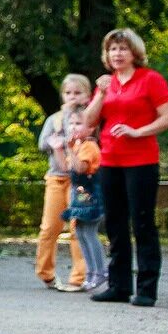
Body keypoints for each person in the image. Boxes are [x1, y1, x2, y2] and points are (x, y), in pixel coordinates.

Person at [78, 28, 168, 307]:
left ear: (134, 52)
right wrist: (101, 94)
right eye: (112, 49)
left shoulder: (151, 80)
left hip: (142, 162)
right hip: (110, 160)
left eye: (122, 48)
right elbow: (88, 121)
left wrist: (138, 131)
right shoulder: (106, 84)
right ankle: (119, 286)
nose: (117, 54)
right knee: (115, 223)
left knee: (142, 223)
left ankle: (146, 289)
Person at [35, 75, 92, 291]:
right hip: (56, 177)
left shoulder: (89, 118)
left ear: (87, 95)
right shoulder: (55, 119)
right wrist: (58, 138)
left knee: (78, 227)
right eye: (68, 93)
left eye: (77, 93)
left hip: (81, 180)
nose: (72, 97)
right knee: (50, 226)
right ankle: (45, 272)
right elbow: (42, 144)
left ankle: (79, 277)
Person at [57, 107, 106, 292]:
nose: (73, 127)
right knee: (80, 232)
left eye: (78, 123)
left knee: (89, 233)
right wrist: (59, 149)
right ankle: (91, 273)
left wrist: (70, 150)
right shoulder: (78, 145)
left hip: (91, 197)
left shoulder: (89, 146)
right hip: (80, 197)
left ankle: (99, 271)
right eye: (71, 123)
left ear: (92, 128)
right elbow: (64, 167)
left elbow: (79, 169)